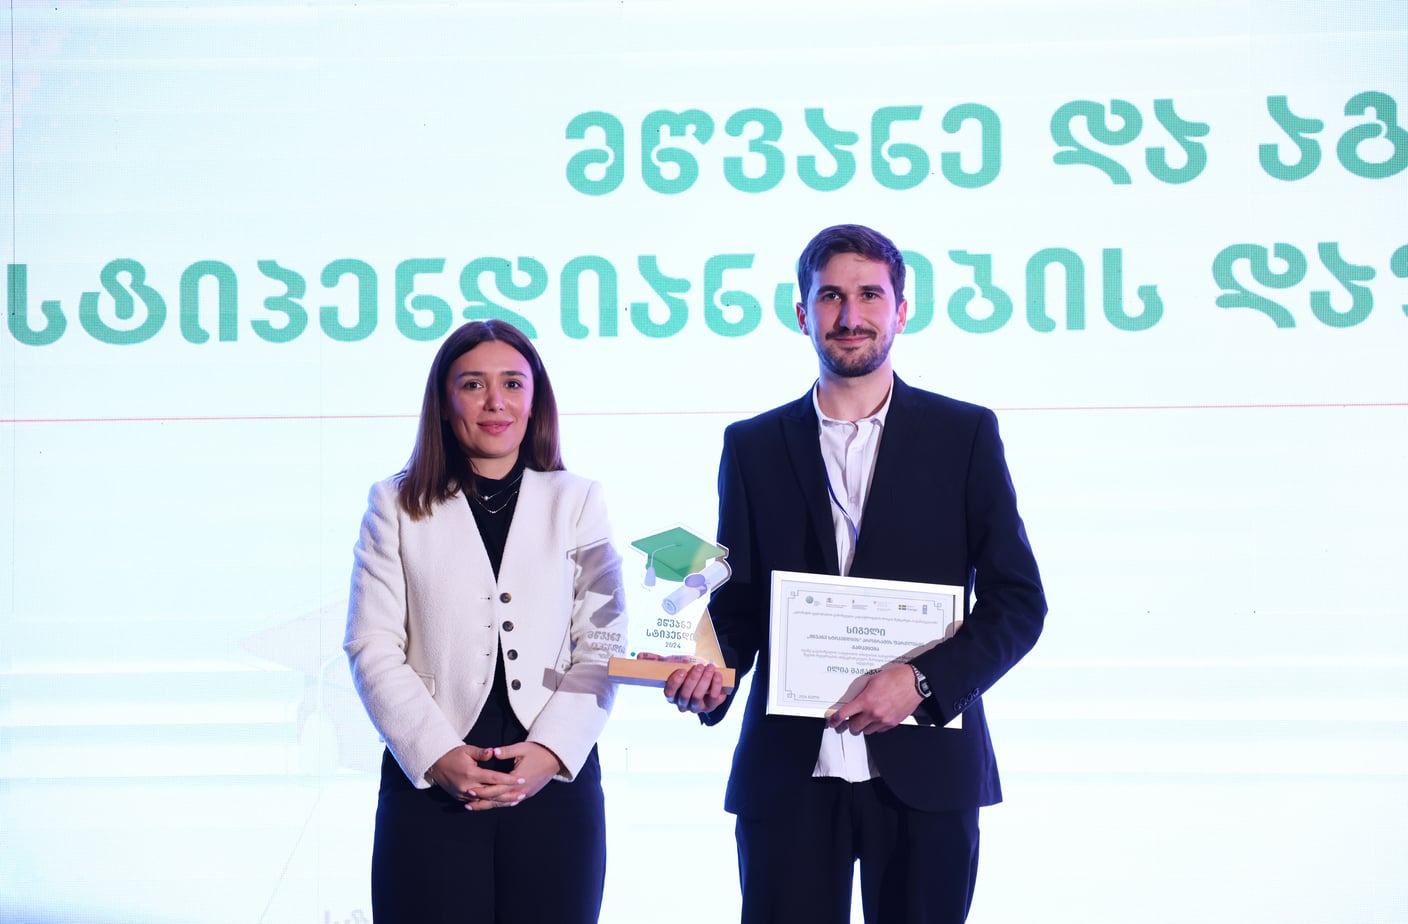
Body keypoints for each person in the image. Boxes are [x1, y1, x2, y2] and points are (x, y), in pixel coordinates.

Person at [665, 224, 1046, 924]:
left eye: (870, 295)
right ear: (801, 312)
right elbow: (740, 606)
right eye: (830, 296)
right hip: (790, 773)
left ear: (901, 310)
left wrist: (922, 681)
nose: (850, 315)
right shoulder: (752, 445)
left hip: (927, 768)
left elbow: (1018, 603)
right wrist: (711, 671)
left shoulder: (963, 435)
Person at [344, 319, 627, 924]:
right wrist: (435, 752)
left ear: (535, 399)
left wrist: (551, 751)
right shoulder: (394, 504)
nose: (496, 401)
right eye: (473, 384)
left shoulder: (578, 500)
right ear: (444, 403)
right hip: (432, 780)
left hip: (554, 780)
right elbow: (371, 644)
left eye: (513, 384)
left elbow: (604, 641)